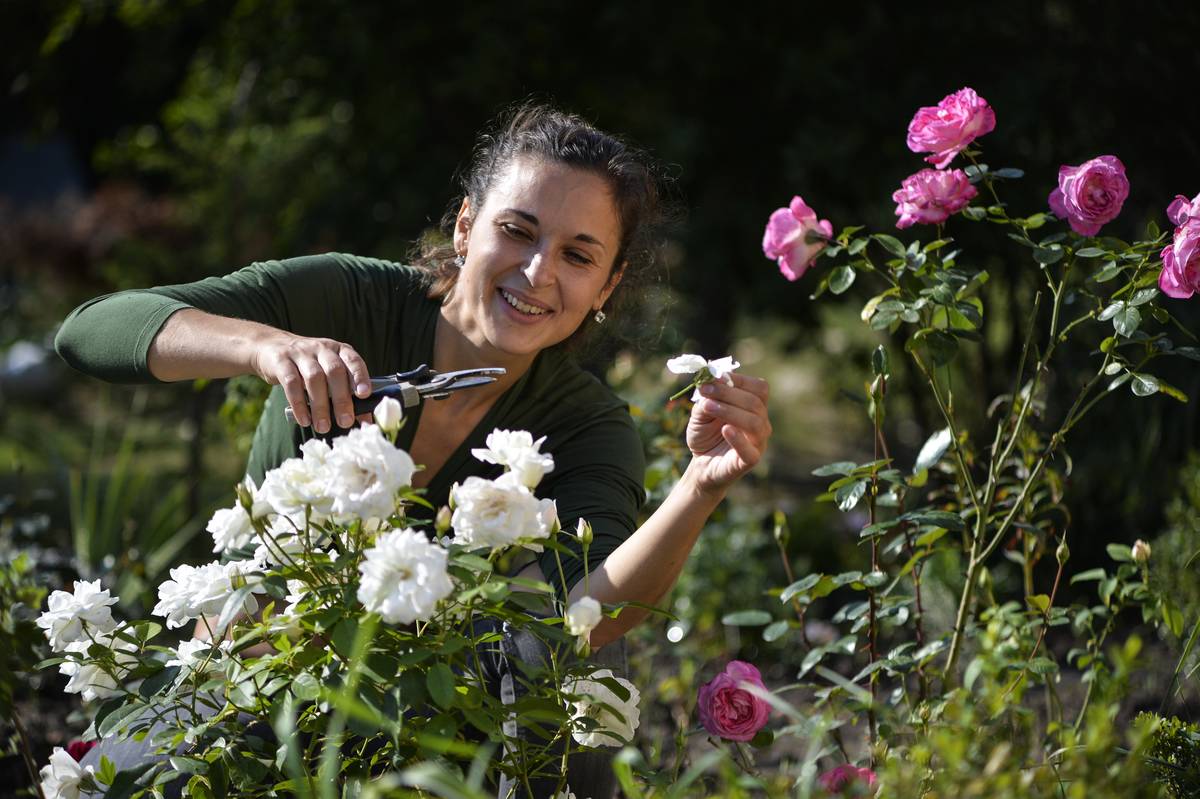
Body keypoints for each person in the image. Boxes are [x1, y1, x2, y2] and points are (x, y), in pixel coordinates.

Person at [54, 104, 772, 797]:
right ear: (466, 226)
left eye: (578, 255)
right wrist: (268, 347)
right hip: (249, 677)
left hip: (432, 725)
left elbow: (588, 619)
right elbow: (90, 331)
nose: (537, 270)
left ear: (607, 286)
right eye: (517, 231)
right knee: (105, 785)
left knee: (590, 675)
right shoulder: (353, 301)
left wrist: (699, 487)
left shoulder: (585, 425)